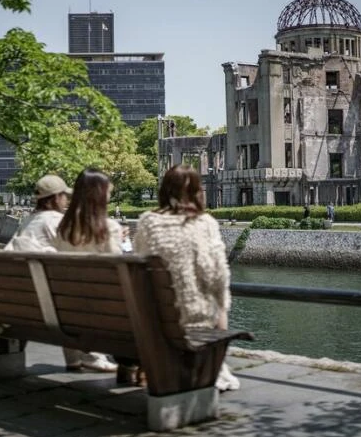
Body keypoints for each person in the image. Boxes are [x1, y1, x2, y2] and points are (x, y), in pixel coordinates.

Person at [133, 164, 239, 392]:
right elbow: (217, 276)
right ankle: (215, 365)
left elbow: (139, 263)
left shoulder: (147, 222)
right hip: (192, 317)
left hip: (155, 316)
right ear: (197, 192)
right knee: (220, 302)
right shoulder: (204, 223)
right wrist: (222, 303)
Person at [55, 168, 122, 374]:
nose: (110, 196)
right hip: (99, 304)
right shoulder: (107, 227)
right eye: (108, 192)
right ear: (100, 194)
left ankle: (73, 356)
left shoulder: (63, 226)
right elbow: (118, 266)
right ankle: (93, 356)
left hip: (64, 303)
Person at [3, 175, 71, 253]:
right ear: (57, 198)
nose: (67, 200)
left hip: (21, 264)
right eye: (65, 195)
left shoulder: (27, 222)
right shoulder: (58, 220)